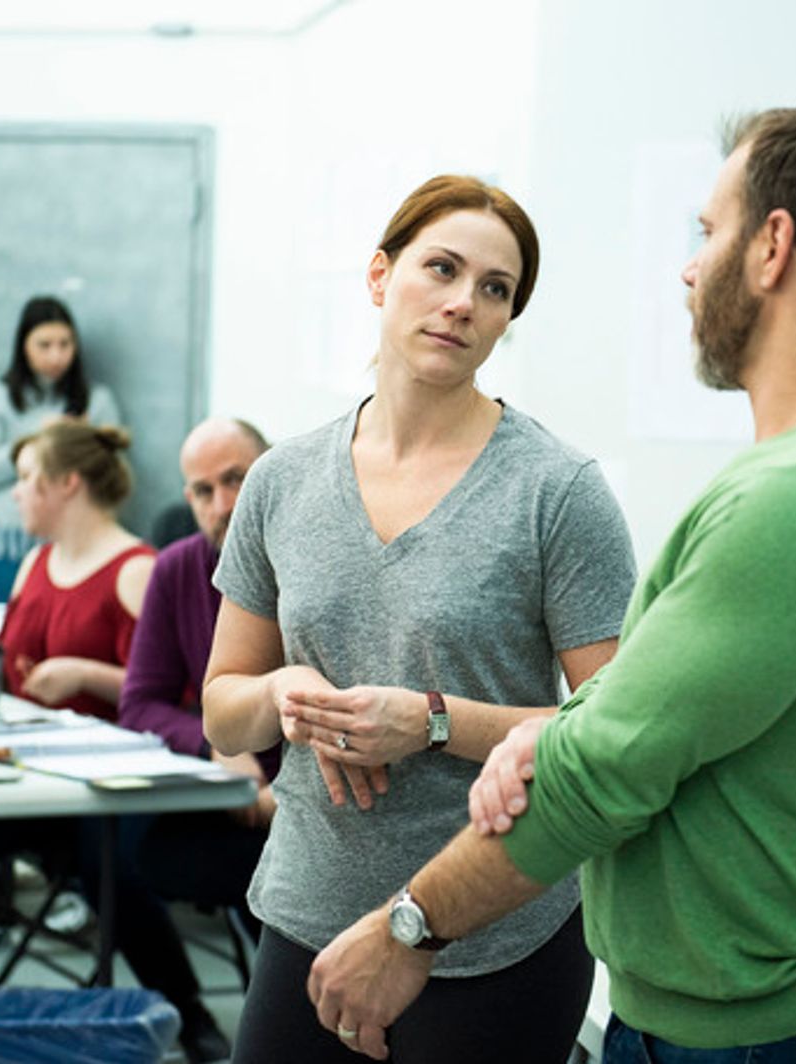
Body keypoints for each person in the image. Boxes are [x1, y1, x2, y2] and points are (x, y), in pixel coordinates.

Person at [305, 104, 796, 1064]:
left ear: (773, 247)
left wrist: (408, 928)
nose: (692, 267)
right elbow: (637, 711)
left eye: (709, 232)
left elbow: (604, 776)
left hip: (755, 1040)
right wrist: (552, 726)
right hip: (737, 1024)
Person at [202, 175, 637, 1064]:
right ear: (378, 277)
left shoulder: (557, 492)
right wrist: (285, 692)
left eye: (494, 289)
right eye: (441, 268)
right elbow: (222, 705)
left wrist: (430, 722)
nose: (462, 303)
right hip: (306, 921)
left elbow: (617, 732)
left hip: (492, 934)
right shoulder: (282, 480)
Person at [0, 422, 229, 1064]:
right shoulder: (36, 563)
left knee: (107, 861)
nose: (15, 495)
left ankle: (188, 1011)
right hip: (35, 774)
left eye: (26, 480)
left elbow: (168, 695)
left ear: (66, 484)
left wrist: (85, 674)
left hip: (115, 784)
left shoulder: (136, 572)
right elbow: (14, 664)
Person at [119, 416, 279, 938]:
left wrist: (292, 793)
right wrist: (217, 745)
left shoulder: (319, 563)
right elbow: (141, 703)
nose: (223, 505)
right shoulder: (177, 570)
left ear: (272, 472)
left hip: (324, 802)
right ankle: (186, 1015)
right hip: (233, 803)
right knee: (134, 853)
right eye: (203, 491)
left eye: (237, 479)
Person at [0, 295, 120, 601]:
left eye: (65, 344)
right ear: (24, 346)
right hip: (6, 538)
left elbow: (111, 474)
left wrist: (77, 441)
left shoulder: (96, 400)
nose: (56, 356)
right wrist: (39, 439)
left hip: (72, 536)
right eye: (45, 345)